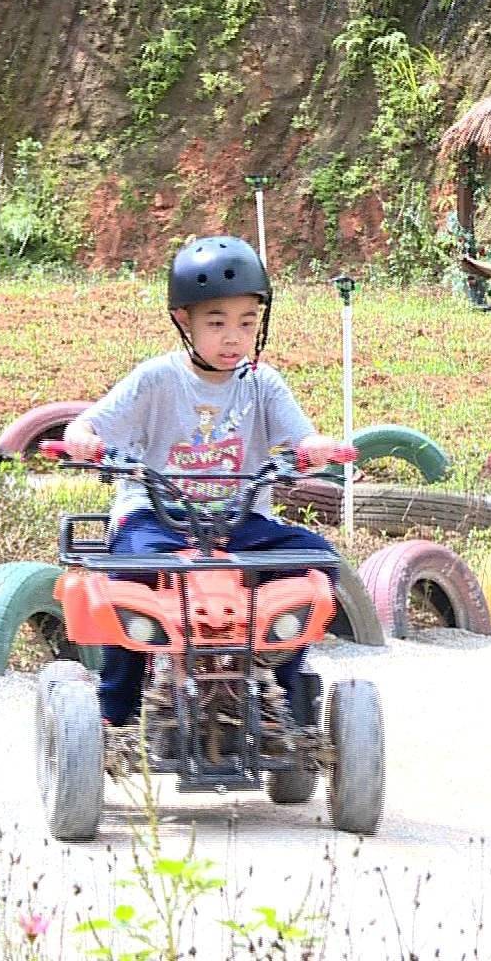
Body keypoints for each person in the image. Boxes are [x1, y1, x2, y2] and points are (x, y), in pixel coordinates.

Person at [61, 235, 352, 731]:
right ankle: (117, 709)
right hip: (156, 518)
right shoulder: (156, 379)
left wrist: (317, 447)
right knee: (126, 585)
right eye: (216, 323)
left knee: (318, 561)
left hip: (241, 521)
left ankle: (283, 667)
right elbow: (86, 427)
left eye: (246, 322)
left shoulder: (262, 383)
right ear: (184, 321)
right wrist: (82, 439)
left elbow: (302, 436)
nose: (233, 338)